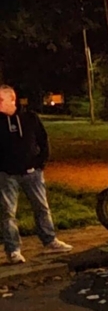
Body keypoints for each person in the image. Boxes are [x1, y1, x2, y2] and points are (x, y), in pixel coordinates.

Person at [0, 85, 73, 264]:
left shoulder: (30, 118)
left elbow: (43, 139)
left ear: (12, 99)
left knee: (41, 207)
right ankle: (13, 250)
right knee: (8, 213)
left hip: (32, 172)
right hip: (6, 174)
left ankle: (49, 240)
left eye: (1, 100)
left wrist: (40, 162)